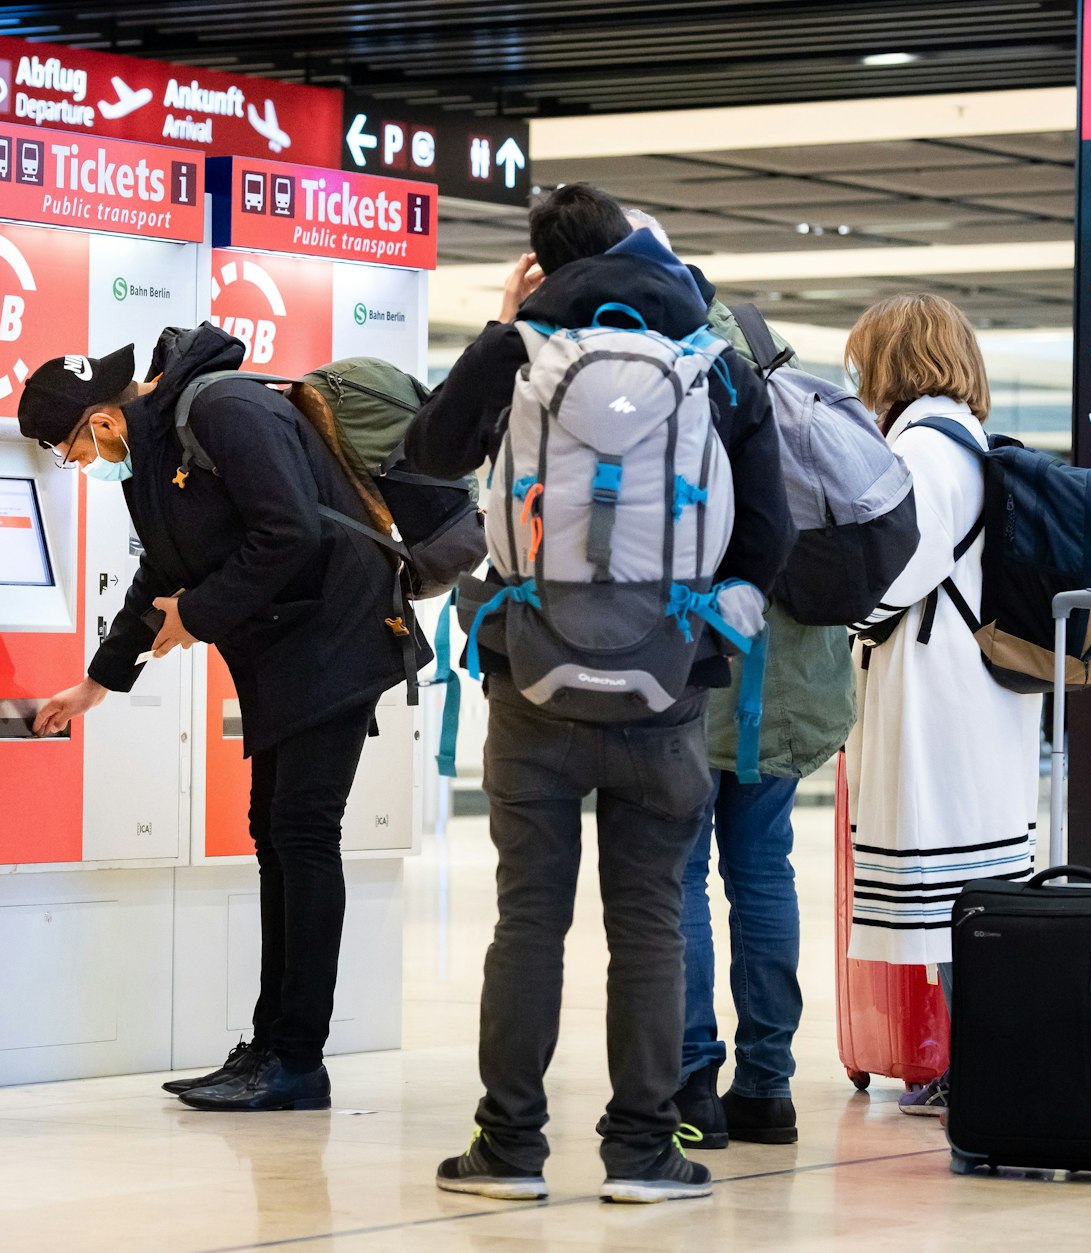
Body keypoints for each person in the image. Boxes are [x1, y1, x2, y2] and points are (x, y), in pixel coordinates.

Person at [410, 184, 795, 1203]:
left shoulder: (521, 343)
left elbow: (429, 452)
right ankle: (639, 1149)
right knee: (652, 922)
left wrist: (502, 325)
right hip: (664, 689)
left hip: (530, 684)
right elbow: (771, 527)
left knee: (526, 920)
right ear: (634, 241)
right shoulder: (710, 353)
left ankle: (508, 1146)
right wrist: (708, 618)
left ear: (540, 265)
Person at [17, 325, 421, 1112]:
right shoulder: (154, 456)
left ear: (99, 419)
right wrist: (98, 682)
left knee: (301, 834)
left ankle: (298, 1058)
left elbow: (292, 530)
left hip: (339, 638)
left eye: (71, 450)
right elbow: (160, 573)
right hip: (288, 653)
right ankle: (272, 1044)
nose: (81, 465)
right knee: (275, 832)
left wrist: (198, 615)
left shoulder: (227, 409)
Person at [621, 211, 855, 1150]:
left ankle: (691, 1086)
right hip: (795, 669)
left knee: (676, 875)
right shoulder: (767, 351)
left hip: (698, 658)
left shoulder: (660, 369)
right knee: (763, 870)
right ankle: (769, 1085)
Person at [842, 293, 1043, 1117]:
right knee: (974, 894)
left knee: (957, 903)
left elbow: (889, 576)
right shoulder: (971, 441)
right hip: (978, 701)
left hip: (938, 708)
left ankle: (989, 1072)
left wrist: (841, 598)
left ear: (895, 363)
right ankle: (980, 1066)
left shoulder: (925, 451)